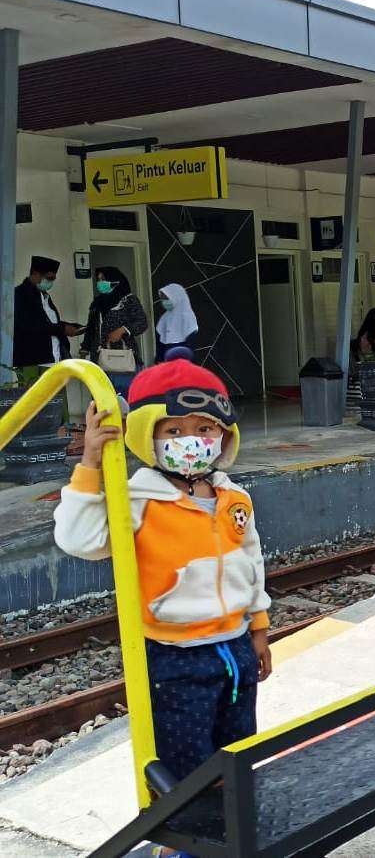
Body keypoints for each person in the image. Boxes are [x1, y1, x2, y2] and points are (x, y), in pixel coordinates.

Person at [54, 360, 271, 784]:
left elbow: (252, 559)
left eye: (204, 430)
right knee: (184, 762)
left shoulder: (234, 496)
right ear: (147, 436)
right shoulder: (135, 500)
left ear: (224, 434)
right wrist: (91, 460)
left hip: (237, 647)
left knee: (239, 751)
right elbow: (79, 539)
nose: (191, 442)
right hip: (176, 656)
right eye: (173, 431)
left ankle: (236, 831)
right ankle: (183, 847)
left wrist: (259, 627)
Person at [12, 255, 81, 386]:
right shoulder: (20, 295)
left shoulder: (44, 296)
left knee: (57, 403)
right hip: (32, 361)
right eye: (49, 278)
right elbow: (28, 325)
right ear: (36, 274)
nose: (51, 283)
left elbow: (48, 323)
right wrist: (62, 329)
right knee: (34, 403)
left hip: (52, 360)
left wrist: (69, 326)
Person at [81, 267, 149, 395]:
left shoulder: (128, 300)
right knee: (102, 399)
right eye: (99, 279)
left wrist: (123, 330)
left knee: (123, 398)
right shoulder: (97, 303)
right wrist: (84, 349)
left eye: (104, 279)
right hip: (99, 358)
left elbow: (142, 323)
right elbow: (91, 328)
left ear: (115, 280)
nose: (100, 283)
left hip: (123, 359)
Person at [155, 283, 198, 361]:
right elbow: (160, 343)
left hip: (182, 361)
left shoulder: (187, 316)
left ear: (176, 297)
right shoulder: (165, 317)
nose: (164, 302)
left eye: (166, 298)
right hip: (166, 361)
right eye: (162, 299)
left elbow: (191, 343)